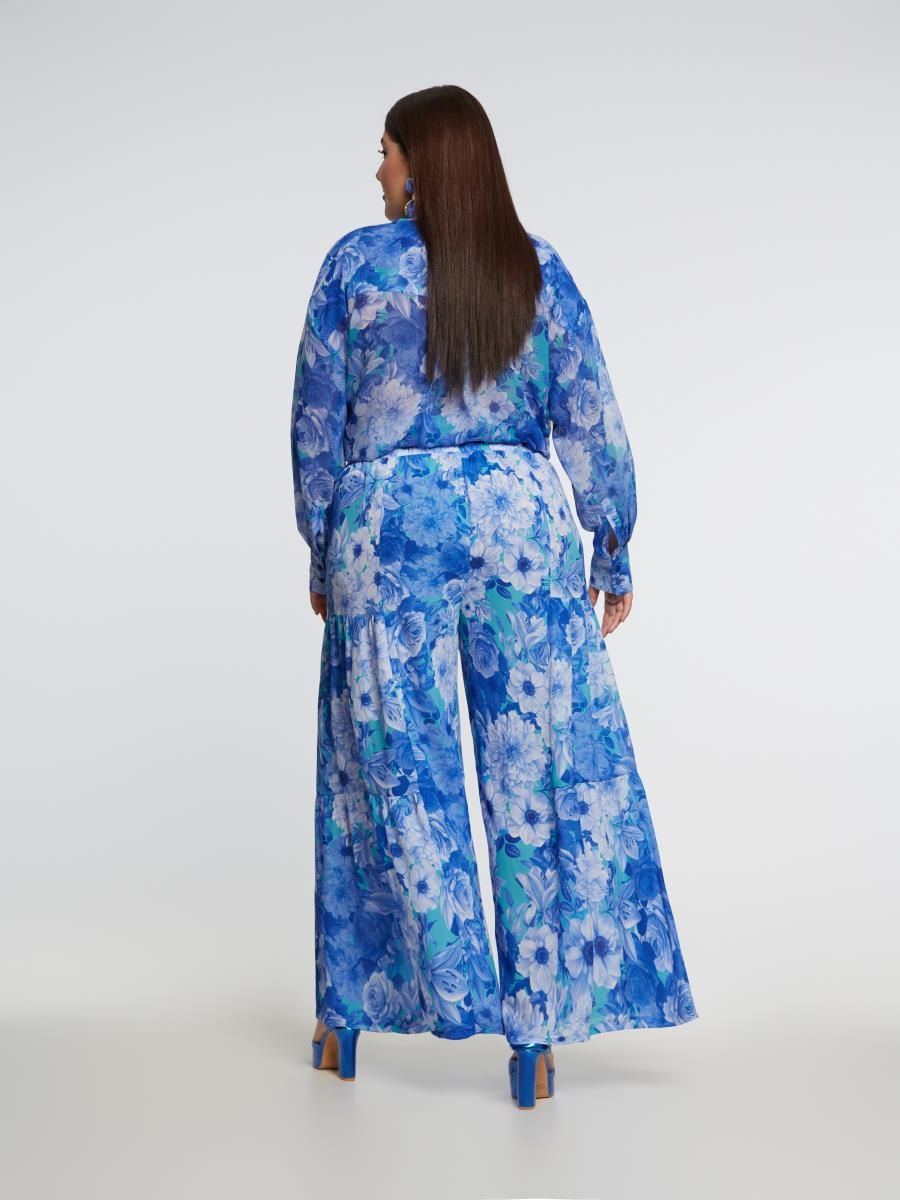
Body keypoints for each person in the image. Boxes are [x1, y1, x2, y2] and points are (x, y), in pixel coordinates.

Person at [291, 85, 698, 1109]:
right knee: (540, 778)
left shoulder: (353, 267)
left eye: (386, 152)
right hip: (520, 530)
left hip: (389, 533)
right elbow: (590, 414)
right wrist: (612, 544)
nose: (378, 171)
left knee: (389, 783)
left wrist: (323, 549)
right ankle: (536, 1039)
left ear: (424, 163)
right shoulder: (536, 267)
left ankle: (354, 1018)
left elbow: (317, 423)